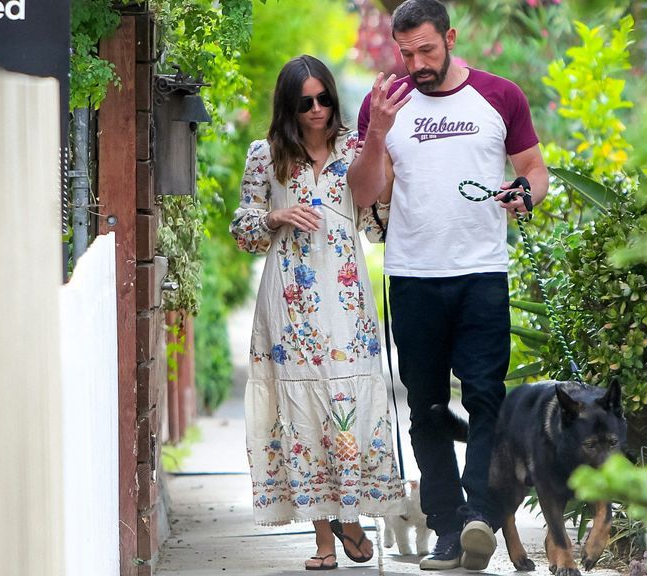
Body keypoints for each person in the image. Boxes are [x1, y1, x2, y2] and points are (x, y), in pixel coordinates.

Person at [347, 0, 549, 571]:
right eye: (406, 53)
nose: (416, 63)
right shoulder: (382, 104)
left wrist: (524, 195)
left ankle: (479, 515)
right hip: (412, 276)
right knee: (428, 407)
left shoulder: (499, 96)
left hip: (482, 273)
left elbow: (536, 170)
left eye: (427, 50)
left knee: (486, 396)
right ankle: (445, 527)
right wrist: (377, 135)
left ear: (451, 38)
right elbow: (364, 195)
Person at [230, 54, 404, 571]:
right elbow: (243, 229)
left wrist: (383, 155)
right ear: (289, 105)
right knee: (301, 412)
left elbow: (377, 224)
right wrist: (276, 215)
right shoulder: (266, 155)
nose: (317, 109)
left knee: (345, 403)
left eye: (324, 98)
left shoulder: (355, 149)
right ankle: (324, 541)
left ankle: (350, 517)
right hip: (289, 304)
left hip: (346, 302)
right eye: (305, 101)